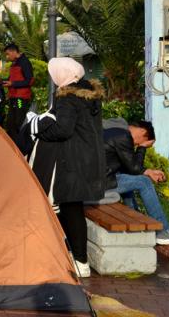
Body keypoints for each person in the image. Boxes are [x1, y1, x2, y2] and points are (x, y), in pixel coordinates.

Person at [26, 57, 106, 277]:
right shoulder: (89, 93)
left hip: (71, 161)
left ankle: (80, 261)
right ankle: (76, 257)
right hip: (88, 158)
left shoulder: (67, 98)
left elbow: (63, 129)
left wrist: (37, 128)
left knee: (71, 209)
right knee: (72, 207)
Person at [104, 119, 169, 245]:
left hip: (94, 182)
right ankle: (164, 231)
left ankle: (135, 219)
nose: (136, 145)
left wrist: (149, 171)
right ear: (143, 132)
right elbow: (134, 168)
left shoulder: (114, 132)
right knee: (144, 182)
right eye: (145, 143)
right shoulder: (123, 136)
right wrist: (142, 147)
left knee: (132, 179)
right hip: (97, 185)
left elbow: (129, 168)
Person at [3, 43, 34, 141]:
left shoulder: (25, 62)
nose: (7, 57)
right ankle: (12, 144)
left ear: (13, 52)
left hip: (21, 99)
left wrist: (12, 84)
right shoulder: (14, 63)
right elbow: (12, 79)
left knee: (18, 121)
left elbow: (29, 81)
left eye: (8, 54)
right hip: (13, 98)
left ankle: (21, 145)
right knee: (10, 123)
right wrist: (1, 81)